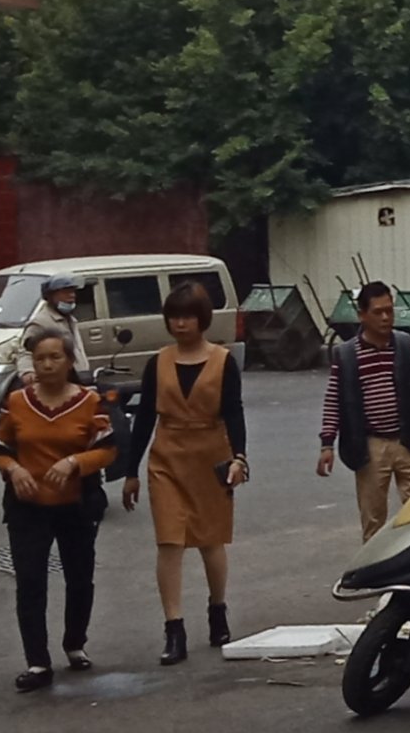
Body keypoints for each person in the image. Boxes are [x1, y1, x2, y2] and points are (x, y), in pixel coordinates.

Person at [118, 280, 247, 665]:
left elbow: (234, 411)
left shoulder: (223, 361)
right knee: (169, 541)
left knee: (211, 539)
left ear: (202, 319)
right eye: (174, 317)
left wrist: (240, 458)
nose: (180, 324)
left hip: (211, 455)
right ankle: (174, 627)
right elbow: (144, 417)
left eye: (188, 317)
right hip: (167, 457)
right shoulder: (158, 362)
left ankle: (217, 608)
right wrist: (131, 470)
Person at [0, 331, 114, 691]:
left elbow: (107, 449)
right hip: (28, 507)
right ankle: (37, 662)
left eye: (55, 357)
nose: (47, 365)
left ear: (70, 361)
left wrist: (74, 462)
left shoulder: (89, 402)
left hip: (75, 506)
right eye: (40, 358)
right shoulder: (17, 401)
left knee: (80, 577)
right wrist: (14, 470)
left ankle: (75, 643)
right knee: (30, 581)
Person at [319, 282, 410, 539]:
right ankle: (376, 563)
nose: (385, 317)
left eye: (389, 310)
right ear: (362, 315)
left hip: (408, 441)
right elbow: (334, 400)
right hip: (371, 446)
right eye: (377, 312)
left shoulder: (408, 347)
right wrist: (327, 444)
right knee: (373, 518)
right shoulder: (347, 356)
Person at [21, 277, 85, 377]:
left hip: (77, 378)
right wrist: (28, 372)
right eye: (65, 292)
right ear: (50, 296)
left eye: (72, 291)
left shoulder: (70, 319)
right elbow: (25, 352)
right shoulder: (41, 322)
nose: (72, 295)